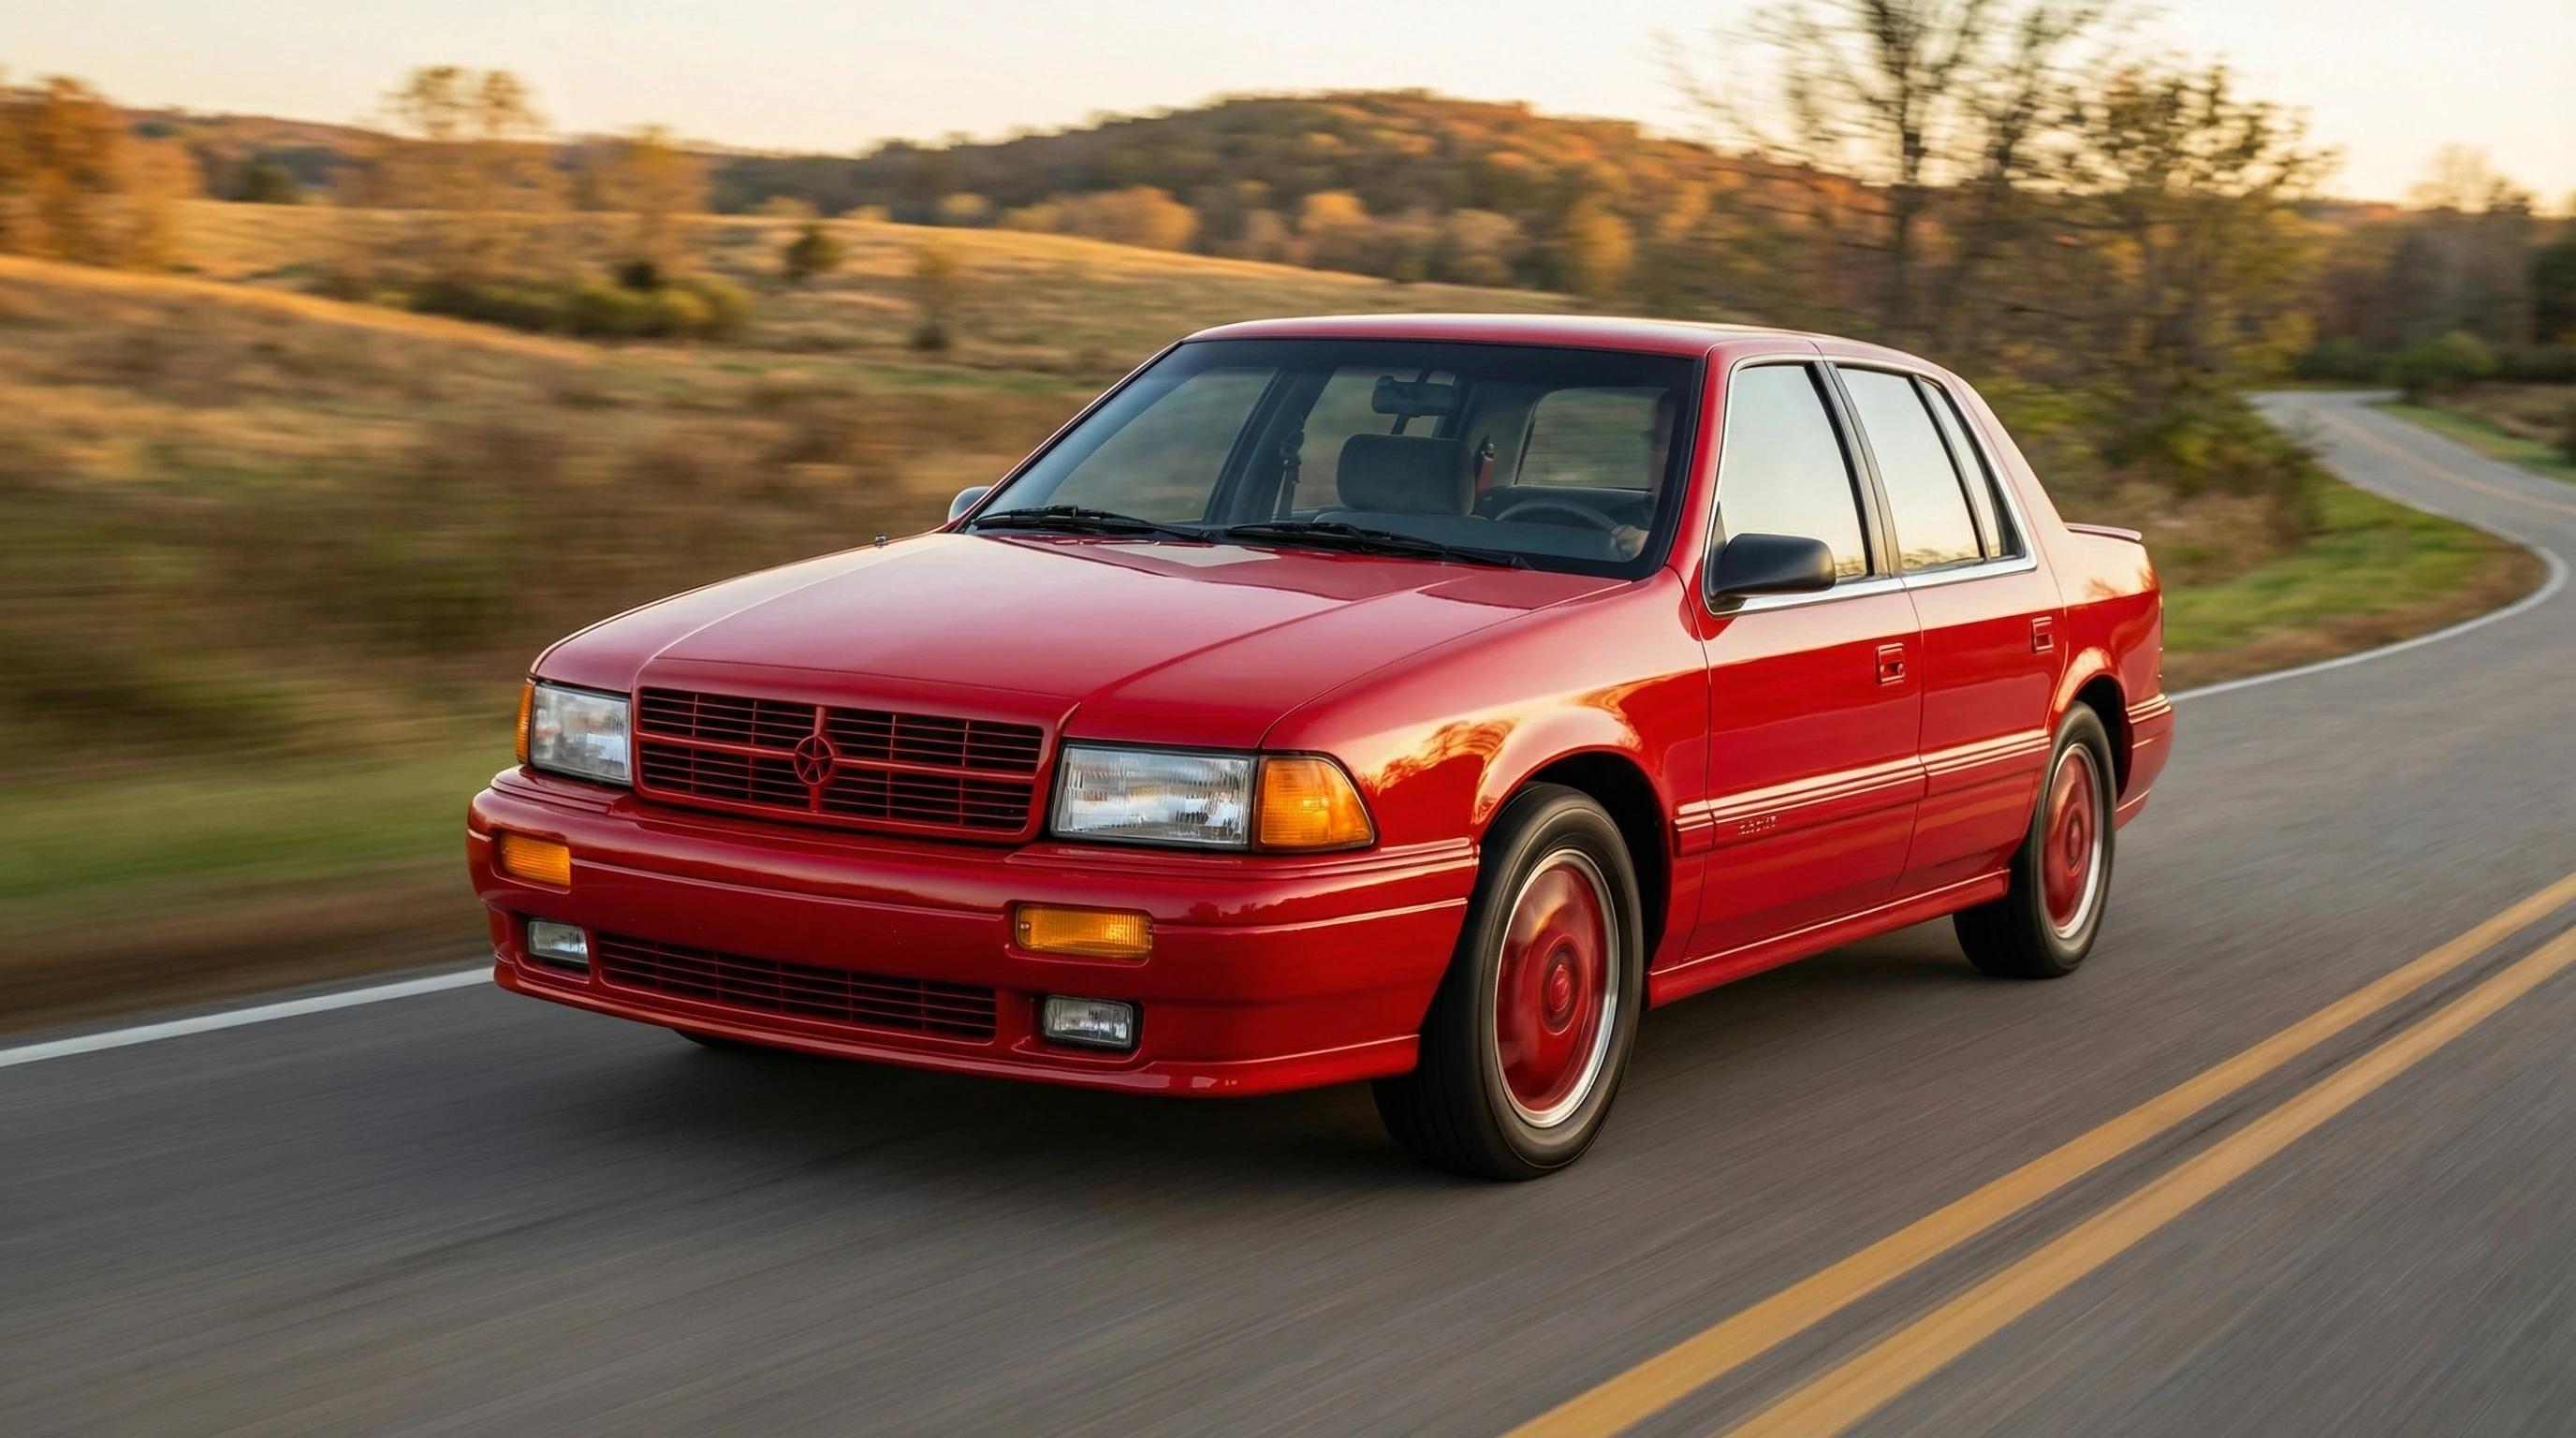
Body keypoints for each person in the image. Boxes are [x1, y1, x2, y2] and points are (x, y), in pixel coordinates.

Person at [1610, 388, 1678, 558]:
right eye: (1657, 441)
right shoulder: (1620, 519)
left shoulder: (1719, 528)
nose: (1661, 459)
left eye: (1680, 445)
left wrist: (1651, 548)